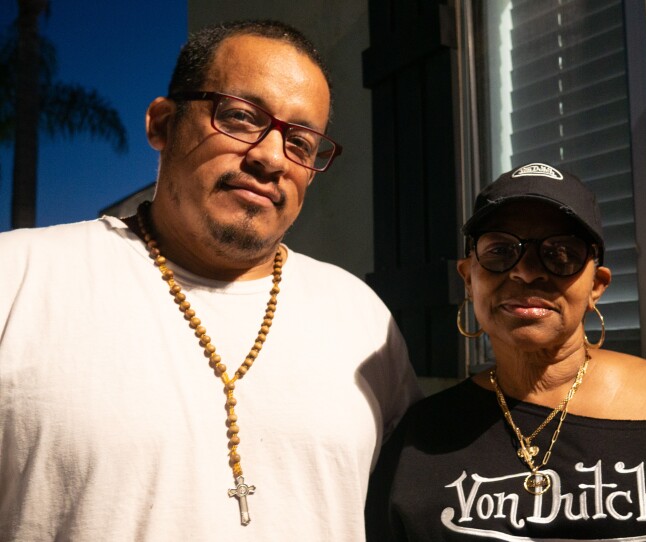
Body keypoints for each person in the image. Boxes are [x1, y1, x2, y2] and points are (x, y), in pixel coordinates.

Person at [0, 20, 420, 540]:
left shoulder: (361, 318)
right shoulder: (18, 279)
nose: (271, 157)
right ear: (163, 124)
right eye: (241, 116)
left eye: (301, 142)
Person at [366, 163, 646, 540]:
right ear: (469, 278)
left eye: (559, 253)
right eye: (500, 251)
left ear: (596, 285)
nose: (526, 272)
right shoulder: (423, 437)